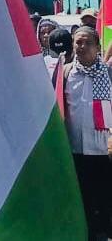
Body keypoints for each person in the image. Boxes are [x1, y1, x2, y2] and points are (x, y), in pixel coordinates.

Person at [62, 26, 112, 239]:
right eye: (78, 42)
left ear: (98, 47)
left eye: (87, 43)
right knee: (83, 200)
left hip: (104, 151)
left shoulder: (108, 73)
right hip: (76, 151)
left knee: (106, 199)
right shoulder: (65, 73)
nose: (81, 47)